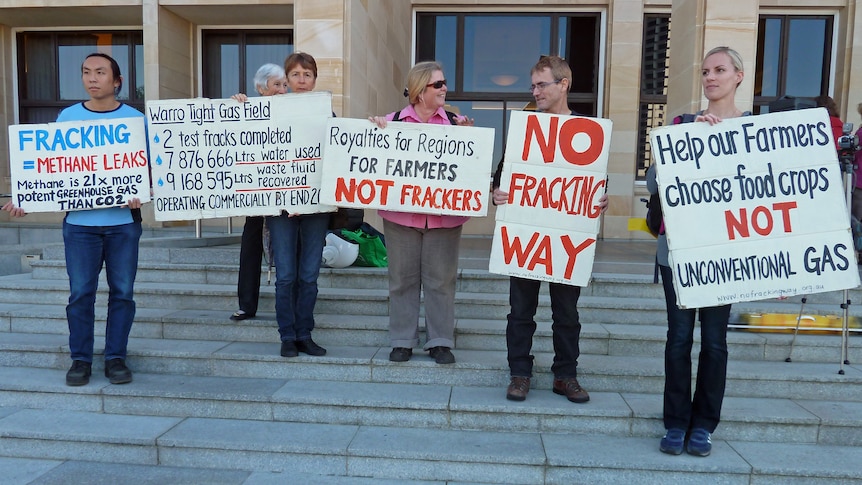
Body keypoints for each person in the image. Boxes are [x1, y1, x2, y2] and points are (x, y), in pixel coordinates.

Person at [3, 53, 145, 386]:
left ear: (117, 81)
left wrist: (143, 189)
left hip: (123, 223)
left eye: (100, 72)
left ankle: (115, 358)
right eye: (85, 72)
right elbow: (49, 167)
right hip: (81, 226)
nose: (91, 78)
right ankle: (80, 360)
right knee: (81, 293)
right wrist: (27, 197)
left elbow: (150, 168)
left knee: (123, 293)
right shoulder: (67, 118)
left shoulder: (135, 119)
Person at [647, 46, 747, 457]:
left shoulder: (756, 129)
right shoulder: (682, 124)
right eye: (705, 70)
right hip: (680, 252)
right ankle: (675, 422)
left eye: (720, 70)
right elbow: (655, 182)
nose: (711, 77)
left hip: (725, 254)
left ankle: (704, 424)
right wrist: (693, 142)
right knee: (679, 339)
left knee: (716, 343)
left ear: (738, 76)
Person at [491, 55, 607, 404]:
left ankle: (566, 375)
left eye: (541, 84)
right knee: (520, 310)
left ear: (563, 85)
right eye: (533, 85)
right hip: (527, 235)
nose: (535, 91)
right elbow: (501, 178)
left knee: (567, 313)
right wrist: (497, 192)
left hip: (567, 236)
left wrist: (602, 200)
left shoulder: (590, 134)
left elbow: (595, 184)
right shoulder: (526, 131)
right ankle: (519, 374)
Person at [369, 61, 474, 365]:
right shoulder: (392, 122)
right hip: (401, 217)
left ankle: (440, 341)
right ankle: (403, 340)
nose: (444, 89)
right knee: (401, 280)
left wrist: (470, 138)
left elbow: (470, 168)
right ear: (419, 91)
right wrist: (374, 132)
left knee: (441, 280)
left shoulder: (456, 123)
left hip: (445, 218)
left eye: (444, 83)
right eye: (438, 84)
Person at [267, 52, 331, 358]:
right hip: (280, 207)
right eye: (296, 74)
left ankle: (304, 333)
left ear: (315, 79)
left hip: (316, 206)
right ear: (287, 80)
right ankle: (287, 335)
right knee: (286, 276)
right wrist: (239, 105)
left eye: (307, 74)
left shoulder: (327, 114)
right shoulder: (269, 110)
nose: (302, 80)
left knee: (309, 274)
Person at [228, 63, 288, 321]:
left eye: (285, 85)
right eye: (277, 85)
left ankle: (287, 306)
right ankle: (246, 304)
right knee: (251, 247)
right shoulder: (247, 110)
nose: (282, 90)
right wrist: (235, 106)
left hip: (286, 194)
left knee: (286, 251)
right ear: (261, 88)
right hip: (257, 194)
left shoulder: (295, 109)